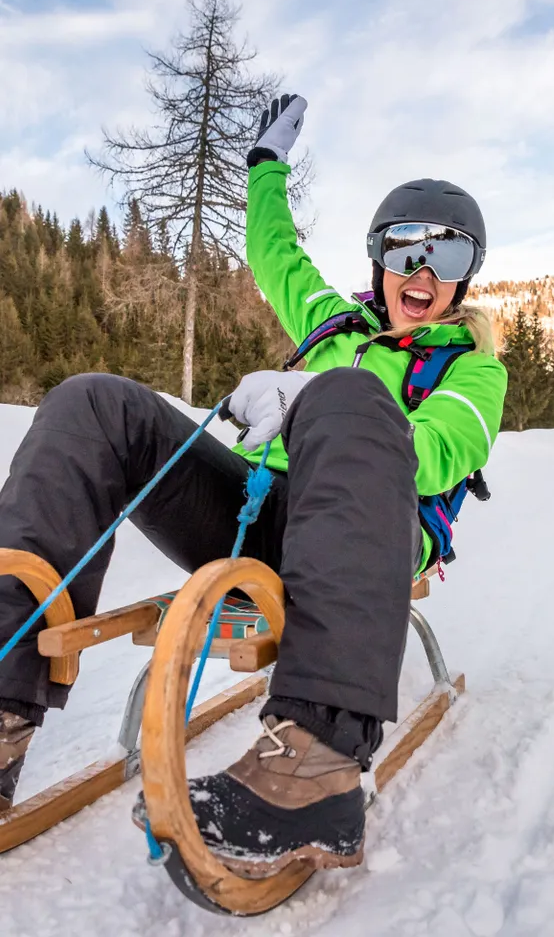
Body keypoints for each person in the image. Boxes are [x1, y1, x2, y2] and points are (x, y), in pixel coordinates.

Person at [0, 95, 507, 876]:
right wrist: (264, 169)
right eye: (406, 248)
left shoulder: (472, 368)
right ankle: (3, 701)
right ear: (379, 259)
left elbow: (440, 450)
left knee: (353, 397)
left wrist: (314, 401)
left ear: (464, 280)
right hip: (259, 517)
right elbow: (274, 251)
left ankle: (318, 757)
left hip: (369, 537)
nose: (421, 272)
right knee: (92, 402)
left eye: (447, 257)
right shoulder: (333, 323)